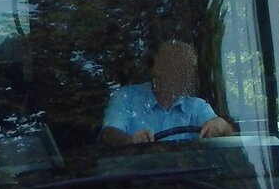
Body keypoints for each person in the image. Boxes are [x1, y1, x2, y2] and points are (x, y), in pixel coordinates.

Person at [100, 41, 234, 147]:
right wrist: (129, 141)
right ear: (157, 70)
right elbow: (108, 134)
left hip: (189, 178)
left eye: (187, 70)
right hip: (136, 178)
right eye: (175, 68)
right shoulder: (126, 98)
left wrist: (221, 125)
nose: (183, 75)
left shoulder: (196, 106)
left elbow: (225, 133)